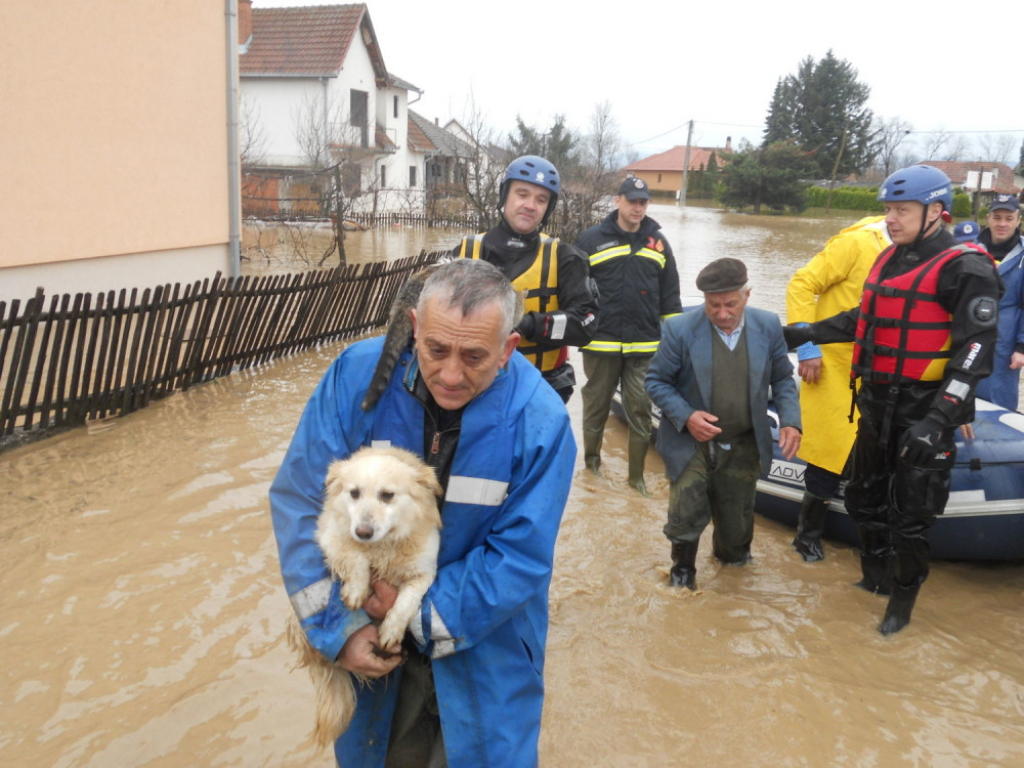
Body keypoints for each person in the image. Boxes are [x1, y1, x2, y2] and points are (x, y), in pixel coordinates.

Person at [269, 259, 577, 766]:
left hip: (487, 651)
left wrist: (412, 611)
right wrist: (339, 631)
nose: (450, 375)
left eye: (474, 356)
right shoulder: (355, 378)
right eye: (435, 349)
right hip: (369, 645)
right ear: (413, 328)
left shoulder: (540, 420)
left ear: (508, 349)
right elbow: (301, 502)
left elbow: (520, 557)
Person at [783, 165, 1003, 635]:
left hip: (926, 411)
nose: (891, 219)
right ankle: (874, 581)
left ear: (936, 213)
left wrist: (940, 418)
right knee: (863, 500)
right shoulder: (890, 258)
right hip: (877, 406)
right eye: (887, 210)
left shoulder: (965, 267)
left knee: (910, 519)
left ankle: (900, 608)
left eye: (901, 210)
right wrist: (807, 333)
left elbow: (977, 351)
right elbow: (863, 317)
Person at [646, 257, 801, 590]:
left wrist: (791, 422)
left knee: (736, 529)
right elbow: (656, 382)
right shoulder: (679, 329)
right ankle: (683, 571)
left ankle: (732, 571)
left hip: (743, 440)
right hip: (691, 441)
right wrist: (687, 416)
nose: (722, 313)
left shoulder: (768, 325)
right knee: (685, 511)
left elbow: (783, 379)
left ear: (747, 294)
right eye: (713, 305)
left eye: (730, 303)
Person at [785, 215, 890, 562]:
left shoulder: (913, 256)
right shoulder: (856, 244)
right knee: (828, 450)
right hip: (832, 363)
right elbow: (801, 284)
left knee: (872, 449)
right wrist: (807, 347)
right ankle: (807, 536)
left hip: (877, 368)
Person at [453, 154, 599, 402]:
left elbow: (586, 323)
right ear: (504, 196)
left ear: (548, 208)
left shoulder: (566, 258)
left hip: (542, 386)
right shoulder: (466, 252)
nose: (530, 205)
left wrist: (528, 324)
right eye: (522, 194)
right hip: (474, 385)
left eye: (541, 200)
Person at [575, 177, 682, 495]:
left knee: (640, 410)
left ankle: (636, 478)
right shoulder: (590, 240)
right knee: (595, 405)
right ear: (617, 201)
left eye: (643, 202)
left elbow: (671, 297)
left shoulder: (658, 243)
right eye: (632, 200)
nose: (638, 207)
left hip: (645, 346)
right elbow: (577, 293)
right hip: (600, 344)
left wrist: (675, 344)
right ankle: (592, 467)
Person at [974, 194, 1023, 411]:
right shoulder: (971, 250)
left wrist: (1022, 346)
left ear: (1018, 220)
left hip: (1005, 336)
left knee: (998, 395)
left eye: (1008, 218)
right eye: (997, 217)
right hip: (970, 330)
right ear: (988, 218)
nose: (1002, 223)